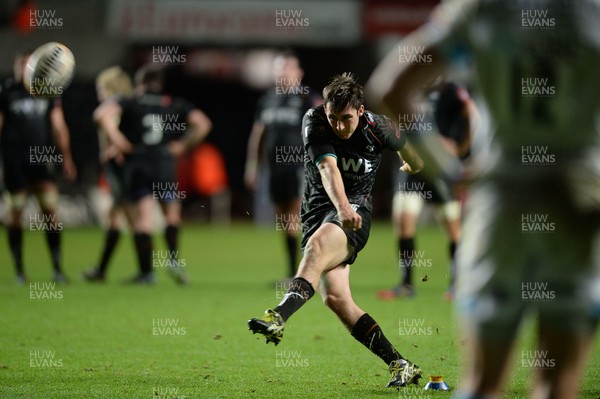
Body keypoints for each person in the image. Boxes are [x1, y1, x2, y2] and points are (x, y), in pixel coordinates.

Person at [365, 1, 600, 398]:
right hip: (575, 202)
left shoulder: (484, 8)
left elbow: (389, 89)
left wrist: (446, 170)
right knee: (559, 384)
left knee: (483, 384)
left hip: (502, 202)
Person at [248, 73, 425, 388]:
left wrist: (410, 164)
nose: (340, 127)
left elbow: (410, 154)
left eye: (346, 119)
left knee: (316, 249)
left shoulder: (378, 127)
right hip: (319, 211)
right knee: (336, 299)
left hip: (354, 214)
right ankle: (402, 365)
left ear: (359, 111)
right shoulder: (314, 120)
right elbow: (328, 168)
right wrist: (339, 208)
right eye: (334, 118)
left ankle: (278, 317)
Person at [96, 65, 212, 284]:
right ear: (159, 84)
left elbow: (102, 115)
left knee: (144, 219)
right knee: (171, 214)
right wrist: (183, 145)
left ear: (139, 83)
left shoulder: (130, 101)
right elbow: (203, 123)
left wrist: (120, 142)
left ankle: (146, 273)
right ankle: (174, 260)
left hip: (138, 163)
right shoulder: (172, 103)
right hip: (164, 164)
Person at [378, 81, 477, 301]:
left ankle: (456, 284)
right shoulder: (412, 87)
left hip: (437, 163)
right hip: (413, 163)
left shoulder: (451, 89)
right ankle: (406, 284)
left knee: (452, 227)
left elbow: (471, 111)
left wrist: (463, 149)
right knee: (403, 221)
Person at [0, 50, 77, 284]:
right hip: (15, 159)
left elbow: (58, 126)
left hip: (41, 158)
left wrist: (67, 157)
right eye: (20, 64)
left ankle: (57, 269)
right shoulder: (6, 92)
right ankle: (20, 272)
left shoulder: (48, 92)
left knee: (50, 213)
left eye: (29, 65)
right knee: (16, 213)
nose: (24, 69)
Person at [244, 51, 322, 279]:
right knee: (285, 219)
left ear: (298, 73)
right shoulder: (268, 99)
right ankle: (293, 271)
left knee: (297, 216)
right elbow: (258, 134)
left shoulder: (307, 97)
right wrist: (252, 167)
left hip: (300, 166)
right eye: (279, 69)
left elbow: (323, 128)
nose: (282, 73)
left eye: (287, 68)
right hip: (275, 169)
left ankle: (309, 272)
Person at [83, 66, 136, 282]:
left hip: (118, 167)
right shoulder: (128, 104)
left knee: (130, 219)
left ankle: (145, 272)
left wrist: (114, 148)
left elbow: (112, 127)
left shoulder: (112, 106)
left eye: (101, 87)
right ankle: (102, 270)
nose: (99, 92)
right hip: (122, 167)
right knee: (118, 218)